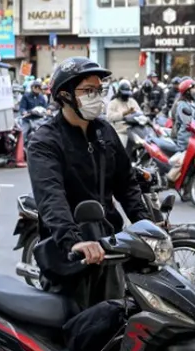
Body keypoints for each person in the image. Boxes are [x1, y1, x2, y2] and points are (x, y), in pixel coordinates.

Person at [26, 57, 151, 303]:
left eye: (99, 90)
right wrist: (74, 242)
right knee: (74, 329)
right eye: (88, 90)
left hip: (110, 244)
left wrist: (147, 225)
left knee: (118, 320)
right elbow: (51, 196)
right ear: (65, 95)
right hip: (71, 252)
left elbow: (126, 184)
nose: (96, 96)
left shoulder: (104, 132)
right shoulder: (45, 141)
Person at [169, 78, 195, 148]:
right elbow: (188, 123)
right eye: (194, 89)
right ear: (188, 91)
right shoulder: (182, 104)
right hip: (186, 139)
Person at [105, 80, 140, 144]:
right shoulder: (113, 103)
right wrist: (124, 114)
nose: (126, 96)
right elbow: (109, 117)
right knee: (122, 144)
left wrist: (135, 113)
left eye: (127, 94)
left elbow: (139, 112)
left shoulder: (132, 101)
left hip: (134, 130)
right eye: (124, 94)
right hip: (121, 131)